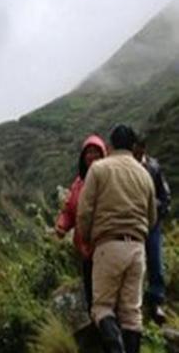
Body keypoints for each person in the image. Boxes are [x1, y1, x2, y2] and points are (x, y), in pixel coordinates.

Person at [78, 124, 157, 353]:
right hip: (137, 248)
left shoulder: (99, 169)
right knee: (131, 314)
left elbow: (84, 211)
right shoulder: (144, 174)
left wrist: (88, 237)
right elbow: (152, 218)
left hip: (108, 244)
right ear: (133, 146)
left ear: (110, 145)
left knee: (102, 308)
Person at [55, 134, 108, 309]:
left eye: (96, 152)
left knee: (106, 295)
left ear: (103, 155)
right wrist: (62, 225)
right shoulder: (78, 184)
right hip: (85, 250)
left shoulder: (110, 179)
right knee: (92, 295)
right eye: (88, 152)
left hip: (105, 246)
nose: (92, 156)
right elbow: (70, 210)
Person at [134, 136, 171, 324]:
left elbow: (165, 195)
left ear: (143, 148)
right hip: (133, 223)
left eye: (139, 148)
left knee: (155, 261)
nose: (136, 152)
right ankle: (136, 304)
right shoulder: (127, 168)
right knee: (136, 264)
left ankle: (156, 302)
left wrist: (158, 209)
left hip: (153, 223)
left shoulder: (154, 167)